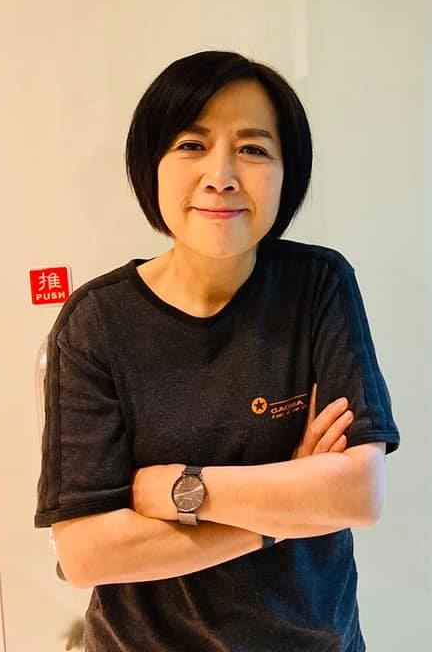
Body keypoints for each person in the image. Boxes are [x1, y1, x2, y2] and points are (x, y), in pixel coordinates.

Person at [34, 49, 401, 651]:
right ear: (151, 165)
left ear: (287, 173)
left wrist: (182, 490)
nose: (222, 175)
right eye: (191, 145)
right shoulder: (96, 322)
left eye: (253, 149)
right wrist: (283, 512)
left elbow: (360, 494)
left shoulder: (317, 286)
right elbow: (86, 554)